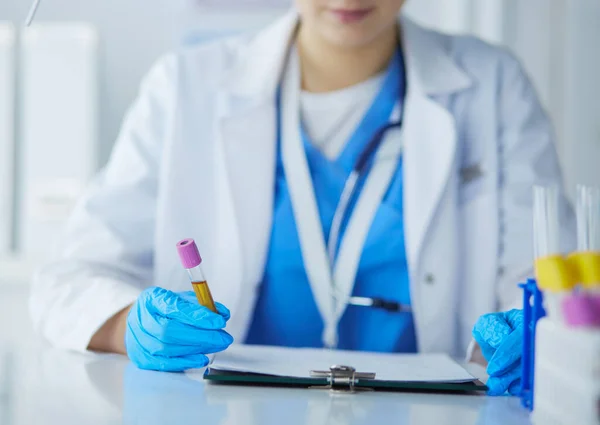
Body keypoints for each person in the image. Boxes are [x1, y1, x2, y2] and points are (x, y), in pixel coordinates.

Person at [30, 0, 575, 395]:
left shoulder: (493, 86)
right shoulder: (185, 87)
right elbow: (68, 279)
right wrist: (128, 324)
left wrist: (538, 334)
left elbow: (552, 276)